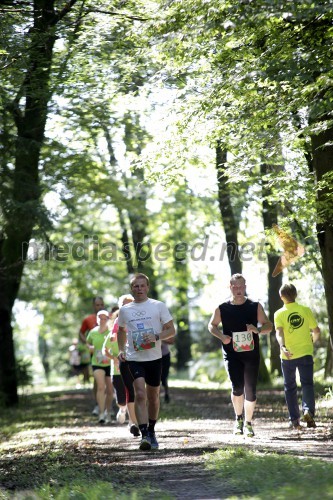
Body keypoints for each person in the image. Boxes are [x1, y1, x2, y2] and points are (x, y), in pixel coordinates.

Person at [208, 273, 272, 437]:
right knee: (237, 387)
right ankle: (238, 419)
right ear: (230, 287)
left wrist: (257, 329)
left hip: (251, 354)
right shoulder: (222, 308)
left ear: (245, 287)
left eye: (241, 286)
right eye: (235, 287)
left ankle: (249, 423)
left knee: (250, 390)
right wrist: (222, 337)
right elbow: (212, 325)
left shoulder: (254, 306)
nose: (238, 289)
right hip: (232, 354)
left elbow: (269, 326)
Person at [117, 273, 175, 451]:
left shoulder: (158, 306)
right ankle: (144, 435)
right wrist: (121, 349)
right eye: (136, 286)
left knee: (153, 397)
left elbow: (171, 330)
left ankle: (152, 430)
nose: (139, 289)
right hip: (134, 358)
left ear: (147, 287)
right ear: (131, 289)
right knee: (140, 394)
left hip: (155, 358)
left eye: (142, 285)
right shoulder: (125, 310)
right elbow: (121, 331)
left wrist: (157, 336)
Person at [274, 283, 321, 430]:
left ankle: (294, 420)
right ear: (295, 295)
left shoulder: (279, 314)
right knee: (307, 384)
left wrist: (282, 346)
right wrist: (312, 341)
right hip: (305, 352)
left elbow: (279, 333)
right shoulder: (305, 310)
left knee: (290, 387)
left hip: (287, 354)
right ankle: (308, 411)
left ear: (281, 297)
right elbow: (317, 330)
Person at [79, 296, 105, 415]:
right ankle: (98, 404)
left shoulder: (108, 317)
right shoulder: (88, 319)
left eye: (101, 304)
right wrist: (87, 344)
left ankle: (112, 404)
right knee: (97, 378)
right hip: (96, 354)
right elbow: (81, 333)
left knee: (111, 378)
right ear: (93, 306)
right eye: (97, 305)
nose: (99, 307)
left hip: (110, 352)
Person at [86, 309, 113, 424]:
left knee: (110, 390)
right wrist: (90, 348)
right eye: (100, 318)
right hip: (97, 363)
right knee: (101, 387)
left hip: (110, 363)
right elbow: (88, 343)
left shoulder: (111, 332)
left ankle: (108, 411)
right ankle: (101, 413)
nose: (102, 320)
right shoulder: (92, 332)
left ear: (108, 319)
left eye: (104, 318)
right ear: (97, 319)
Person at [161, 338, 174, 403]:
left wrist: (159, 339)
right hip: (155, 356)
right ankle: (155, 397)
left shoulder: (165, 328)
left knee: (164, 376)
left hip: (165, 356)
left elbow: (172, 341)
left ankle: (166, 394)